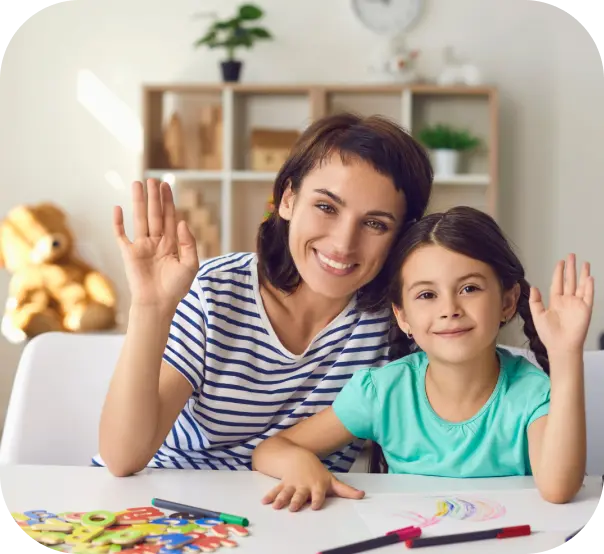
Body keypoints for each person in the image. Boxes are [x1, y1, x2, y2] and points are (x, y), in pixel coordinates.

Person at [95, 112, 434, 476]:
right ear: (287, 199)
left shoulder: (396, 322)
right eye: (326, 207)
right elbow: (122, 458)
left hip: (298, 514)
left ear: (401, 235)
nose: (342, 243)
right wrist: (150, 307)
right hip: (168, 503)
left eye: (374, 224)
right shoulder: (215, 291)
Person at [252, 206, 594, 509]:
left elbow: (558, 488)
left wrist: (565, 354)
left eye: (469, 288)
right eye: (427, 294)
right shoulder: (384, 391)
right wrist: (303, 465)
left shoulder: (530, 392)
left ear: (506, 302)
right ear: (402, 317)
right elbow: (271, 450)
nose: (449, 310)